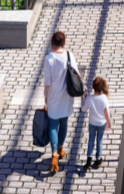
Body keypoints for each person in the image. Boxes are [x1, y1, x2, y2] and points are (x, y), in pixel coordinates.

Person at [44, 31, 79, 174]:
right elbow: (77, 75)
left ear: (52, 43)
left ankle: (54, 154)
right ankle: (60, 147)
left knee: (53, 125)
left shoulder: (49, 59)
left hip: (53, 96)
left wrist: (45, 97)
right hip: (67, 96)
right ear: (63, 43)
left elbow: (47, 82)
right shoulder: (69, 56)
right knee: (64, 123)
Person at [82, 76, 112, 170]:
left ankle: (89, 161)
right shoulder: (104, 98)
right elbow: (106, 112)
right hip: (101, 123)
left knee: (91, 140)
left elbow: (83, 109)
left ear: (93, 88)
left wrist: (85, 99)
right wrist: (109, 123)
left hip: (92, 123)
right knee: (99, 141)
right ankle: (98, 159)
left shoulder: (90, 98)